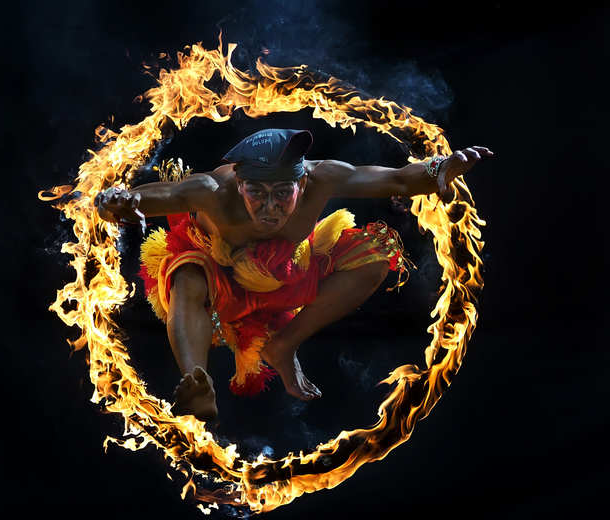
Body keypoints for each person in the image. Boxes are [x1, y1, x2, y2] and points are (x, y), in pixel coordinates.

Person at [95, 128, 493, 421]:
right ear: (239, 183)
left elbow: (398, 178)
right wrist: (122, 200)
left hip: (287, 275)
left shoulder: (324, 177)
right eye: (257, 193)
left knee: (377, 253)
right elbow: (163, 195)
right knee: (187, 273)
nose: (271, 207)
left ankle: (284, 345)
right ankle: (198, 381)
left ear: (303, 182)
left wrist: (440, 168)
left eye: (283, 192)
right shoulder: (213, 190)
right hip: (221, 280)